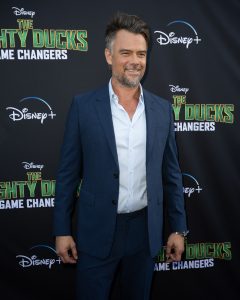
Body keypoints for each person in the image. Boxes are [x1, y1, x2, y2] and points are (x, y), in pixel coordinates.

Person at [53, 12, 188, 300]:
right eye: (125, 52)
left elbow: (172, 174)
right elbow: (67, 175)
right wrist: (62, 230)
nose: (135, 61)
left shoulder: (163, 110)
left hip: (144, 233)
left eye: (141, 53)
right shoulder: (83, 107)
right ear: (108, 55)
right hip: (97, 231)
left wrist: (178, 228)